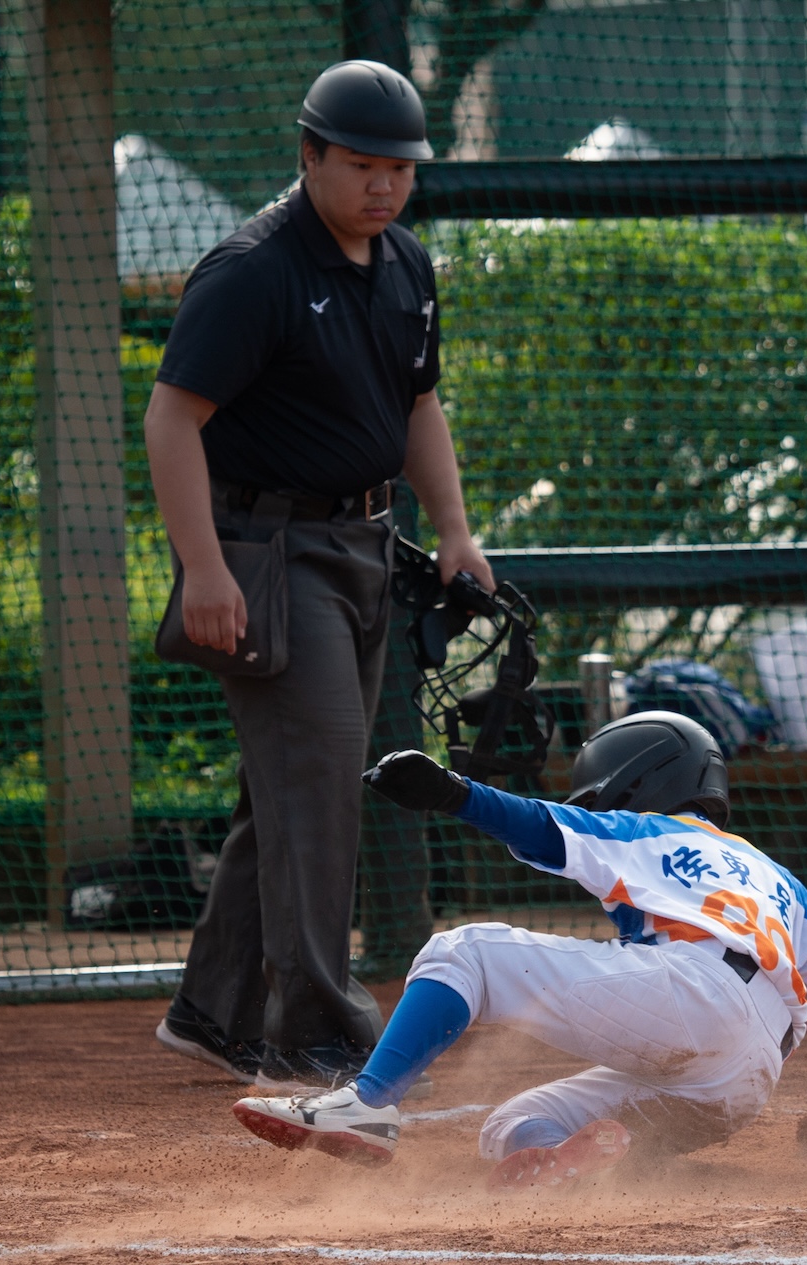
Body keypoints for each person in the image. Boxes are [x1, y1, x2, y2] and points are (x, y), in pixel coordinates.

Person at [146, 60, 496, 1091]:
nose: (383, 184)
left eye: (400, 167)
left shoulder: (404, 265)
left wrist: (455, 527)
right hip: (268, 552)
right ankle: (317, 1035)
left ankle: (216, 1010)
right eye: (360, 163)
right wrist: (204, 569)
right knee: (322, 790)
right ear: (308, 156)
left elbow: (417, 406)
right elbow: (172, 417)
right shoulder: (252, 269)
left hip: (361, 547)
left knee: (293, 790)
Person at [230, 712, 807, 1188]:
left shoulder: (647, 828)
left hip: (694, 994)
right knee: (515, 1121)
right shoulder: (777, 878)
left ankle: (367, 1105)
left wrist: (454, 792)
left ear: (635, 782)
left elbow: (544, 827)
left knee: (465, 953)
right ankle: (584, 1166)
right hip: (747, 1078)